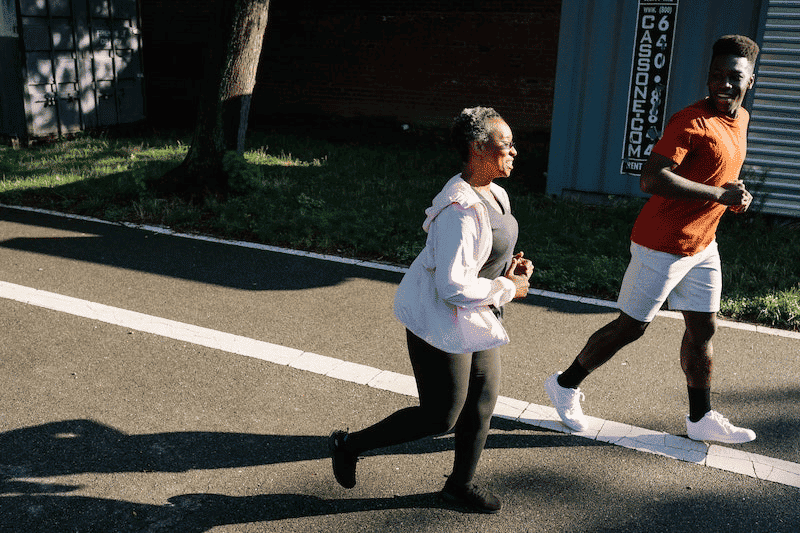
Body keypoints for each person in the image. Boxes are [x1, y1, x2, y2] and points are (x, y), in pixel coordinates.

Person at [545, 35, 759, 444]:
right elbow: (651, 177)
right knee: (631, 327)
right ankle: (565, 384)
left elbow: (717, 176)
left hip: (702, 245)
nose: (723, 84)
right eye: (716, 75)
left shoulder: (741, 119)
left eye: (734, 77)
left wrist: (735, 194)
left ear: (751, 79)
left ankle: (700, 417)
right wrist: (718, 195)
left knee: (703, 330)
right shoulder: (691, 122)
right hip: (660, 243)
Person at [329, 107, 532, 514]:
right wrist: (508, 287)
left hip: (477, 315)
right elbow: (453, 286)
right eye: (506, 145)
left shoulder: (496, 192)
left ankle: (460, 485)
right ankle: (349, 445)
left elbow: (485, 255)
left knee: (482, 402)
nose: (515, 152)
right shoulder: (458, 211)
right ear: (478, 148)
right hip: (441, 318)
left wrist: (509, 269)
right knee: (440, 418)